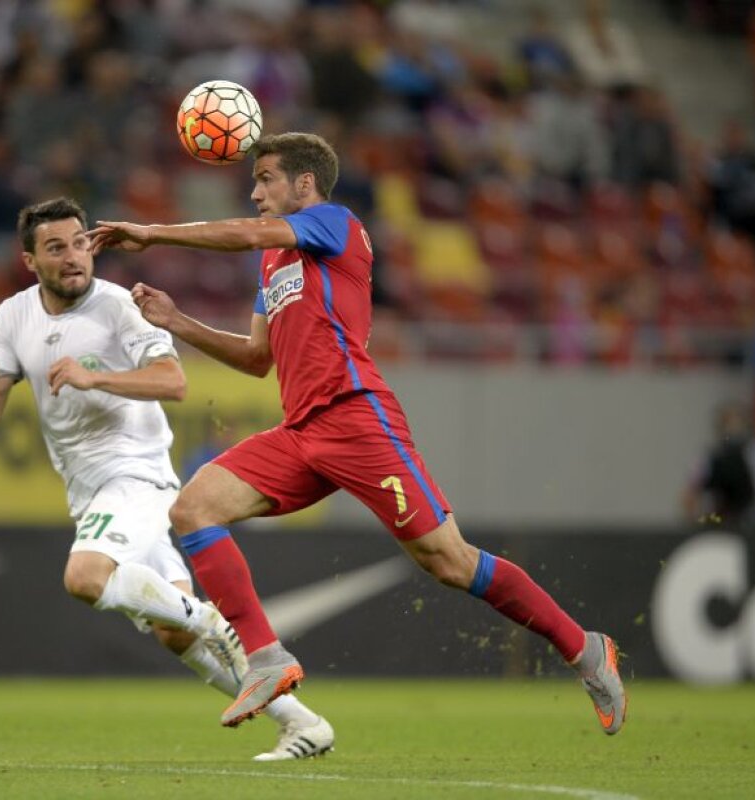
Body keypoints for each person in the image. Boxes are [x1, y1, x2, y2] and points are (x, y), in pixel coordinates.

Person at [90, 133, 627, 734]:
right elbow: (257, 358)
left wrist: (153, 232)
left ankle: (585, 649)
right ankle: (267, 659)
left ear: (303, 184)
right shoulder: (274, 262)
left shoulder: (335, 223)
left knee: (448, 562)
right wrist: (176, 321)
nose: (256, 190)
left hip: (356, 418)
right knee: (192, 509)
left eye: (266, 178)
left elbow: (246, 231)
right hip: (300, 431)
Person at [0, 197, 333, 761]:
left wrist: (97, 381)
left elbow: (174, 381)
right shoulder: (13, 315)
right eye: (56, 248)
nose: (73, 257)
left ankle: (209, 617)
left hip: (137, 476)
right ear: (29, 261)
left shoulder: (118, 307)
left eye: (80, 243)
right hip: (87, 491)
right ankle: (303, 724)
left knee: (85, 578)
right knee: (173, 636)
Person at [683, 401, 755, 532]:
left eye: (738, 422)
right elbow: (690, 494)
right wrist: (697, 523)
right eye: (728, 423)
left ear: (747, 424)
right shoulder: (709, 457)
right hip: (717, 520)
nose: (733, 428)